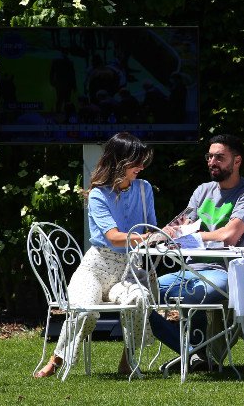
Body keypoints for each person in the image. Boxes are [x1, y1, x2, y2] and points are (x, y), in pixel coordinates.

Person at [34, 132, 156, 378]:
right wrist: (150, 237)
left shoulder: (144, 189)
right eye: (136, 162)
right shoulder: (99, 194)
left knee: (140, 299)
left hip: (128, 270)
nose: (141, 167)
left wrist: (169, 233)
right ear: (119, 161)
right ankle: (57, 359)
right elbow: (114, 237)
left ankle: (128, 360)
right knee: (85, 310)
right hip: (96, 267)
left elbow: (152, 228)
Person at [148, 134, 244, 363]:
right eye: (209, 157)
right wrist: (158, 235)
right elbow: (179, 226)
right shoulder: (202, 190)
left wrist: (191, 235)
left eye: (219, 157)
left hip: (226, 272)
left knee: (200, 293)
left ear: (237, 161)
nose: (212, 162)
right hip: (191, 270)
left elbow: (229, 236)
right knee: (139, 296)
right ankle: (193, 353)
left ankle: (197, 354)